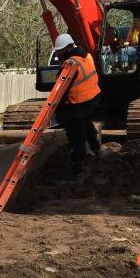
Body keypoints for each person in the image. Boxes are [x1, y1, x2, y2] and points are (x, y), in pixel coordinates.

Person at [52, 33, 110, 185]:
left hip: (77, 104)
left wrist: (57, 109)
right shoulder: (87, 56)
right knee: (86, 124)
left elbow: (60, 90)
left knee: (76, 139)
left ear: (67, 49)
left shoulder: (70, 65)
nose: (58, 55)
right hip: (91, 99)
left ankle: (78, 173)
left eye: (59, 52)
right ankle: (98, 150)